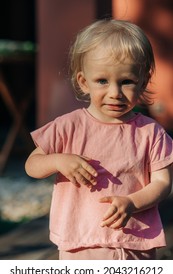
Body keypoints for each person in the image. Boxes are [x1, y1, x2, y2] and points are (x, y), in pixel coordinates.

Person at [25, 19, 173, 260]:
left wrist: (132, 202)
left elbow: (162, 183)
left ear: (143, 81)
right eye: (102, 81)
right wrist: (58, 161)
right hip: (79, 244)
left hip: (134, 242)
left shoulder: (150, 132)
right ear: (84, 81)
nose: (115, 92)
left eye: (126, 82)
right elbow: (32, 165)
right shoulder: (68, 126)